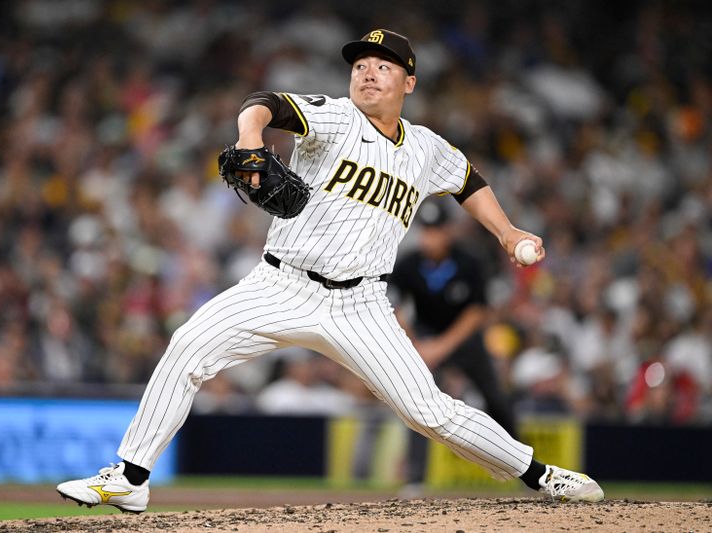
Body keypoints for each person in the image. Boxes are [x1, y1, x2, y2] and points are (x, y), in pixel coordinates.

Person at [57, 29, 604, 513]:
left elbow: (468, 182)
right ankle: (131, 477)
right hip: (281, 284)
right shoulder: (334, 117)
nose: (368, 72)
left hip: (359, 305)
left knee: (427, 410)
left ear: (408, 83)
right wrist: (252, 140)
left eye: (383, 65)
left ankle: (539, 475)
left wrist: (507, 232)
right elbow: (262, 103)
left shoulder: (424, 149)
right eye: (360, 64)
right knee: (186, 347)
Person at [389, 198, 519, 494]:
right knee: (418, 404)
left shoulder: (469, 261)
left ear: (448, 231)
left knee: (496, 398)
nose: (431, 237)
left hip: (463, 339)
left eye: (436, 230)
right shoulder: (409, 264)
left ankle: (523, 468)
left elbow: (477, 312)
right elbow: (393, 306)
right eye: (426, 230)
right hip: (424, 338)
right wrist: (419, 345)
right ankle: (415, 479)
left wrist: (440, 347)